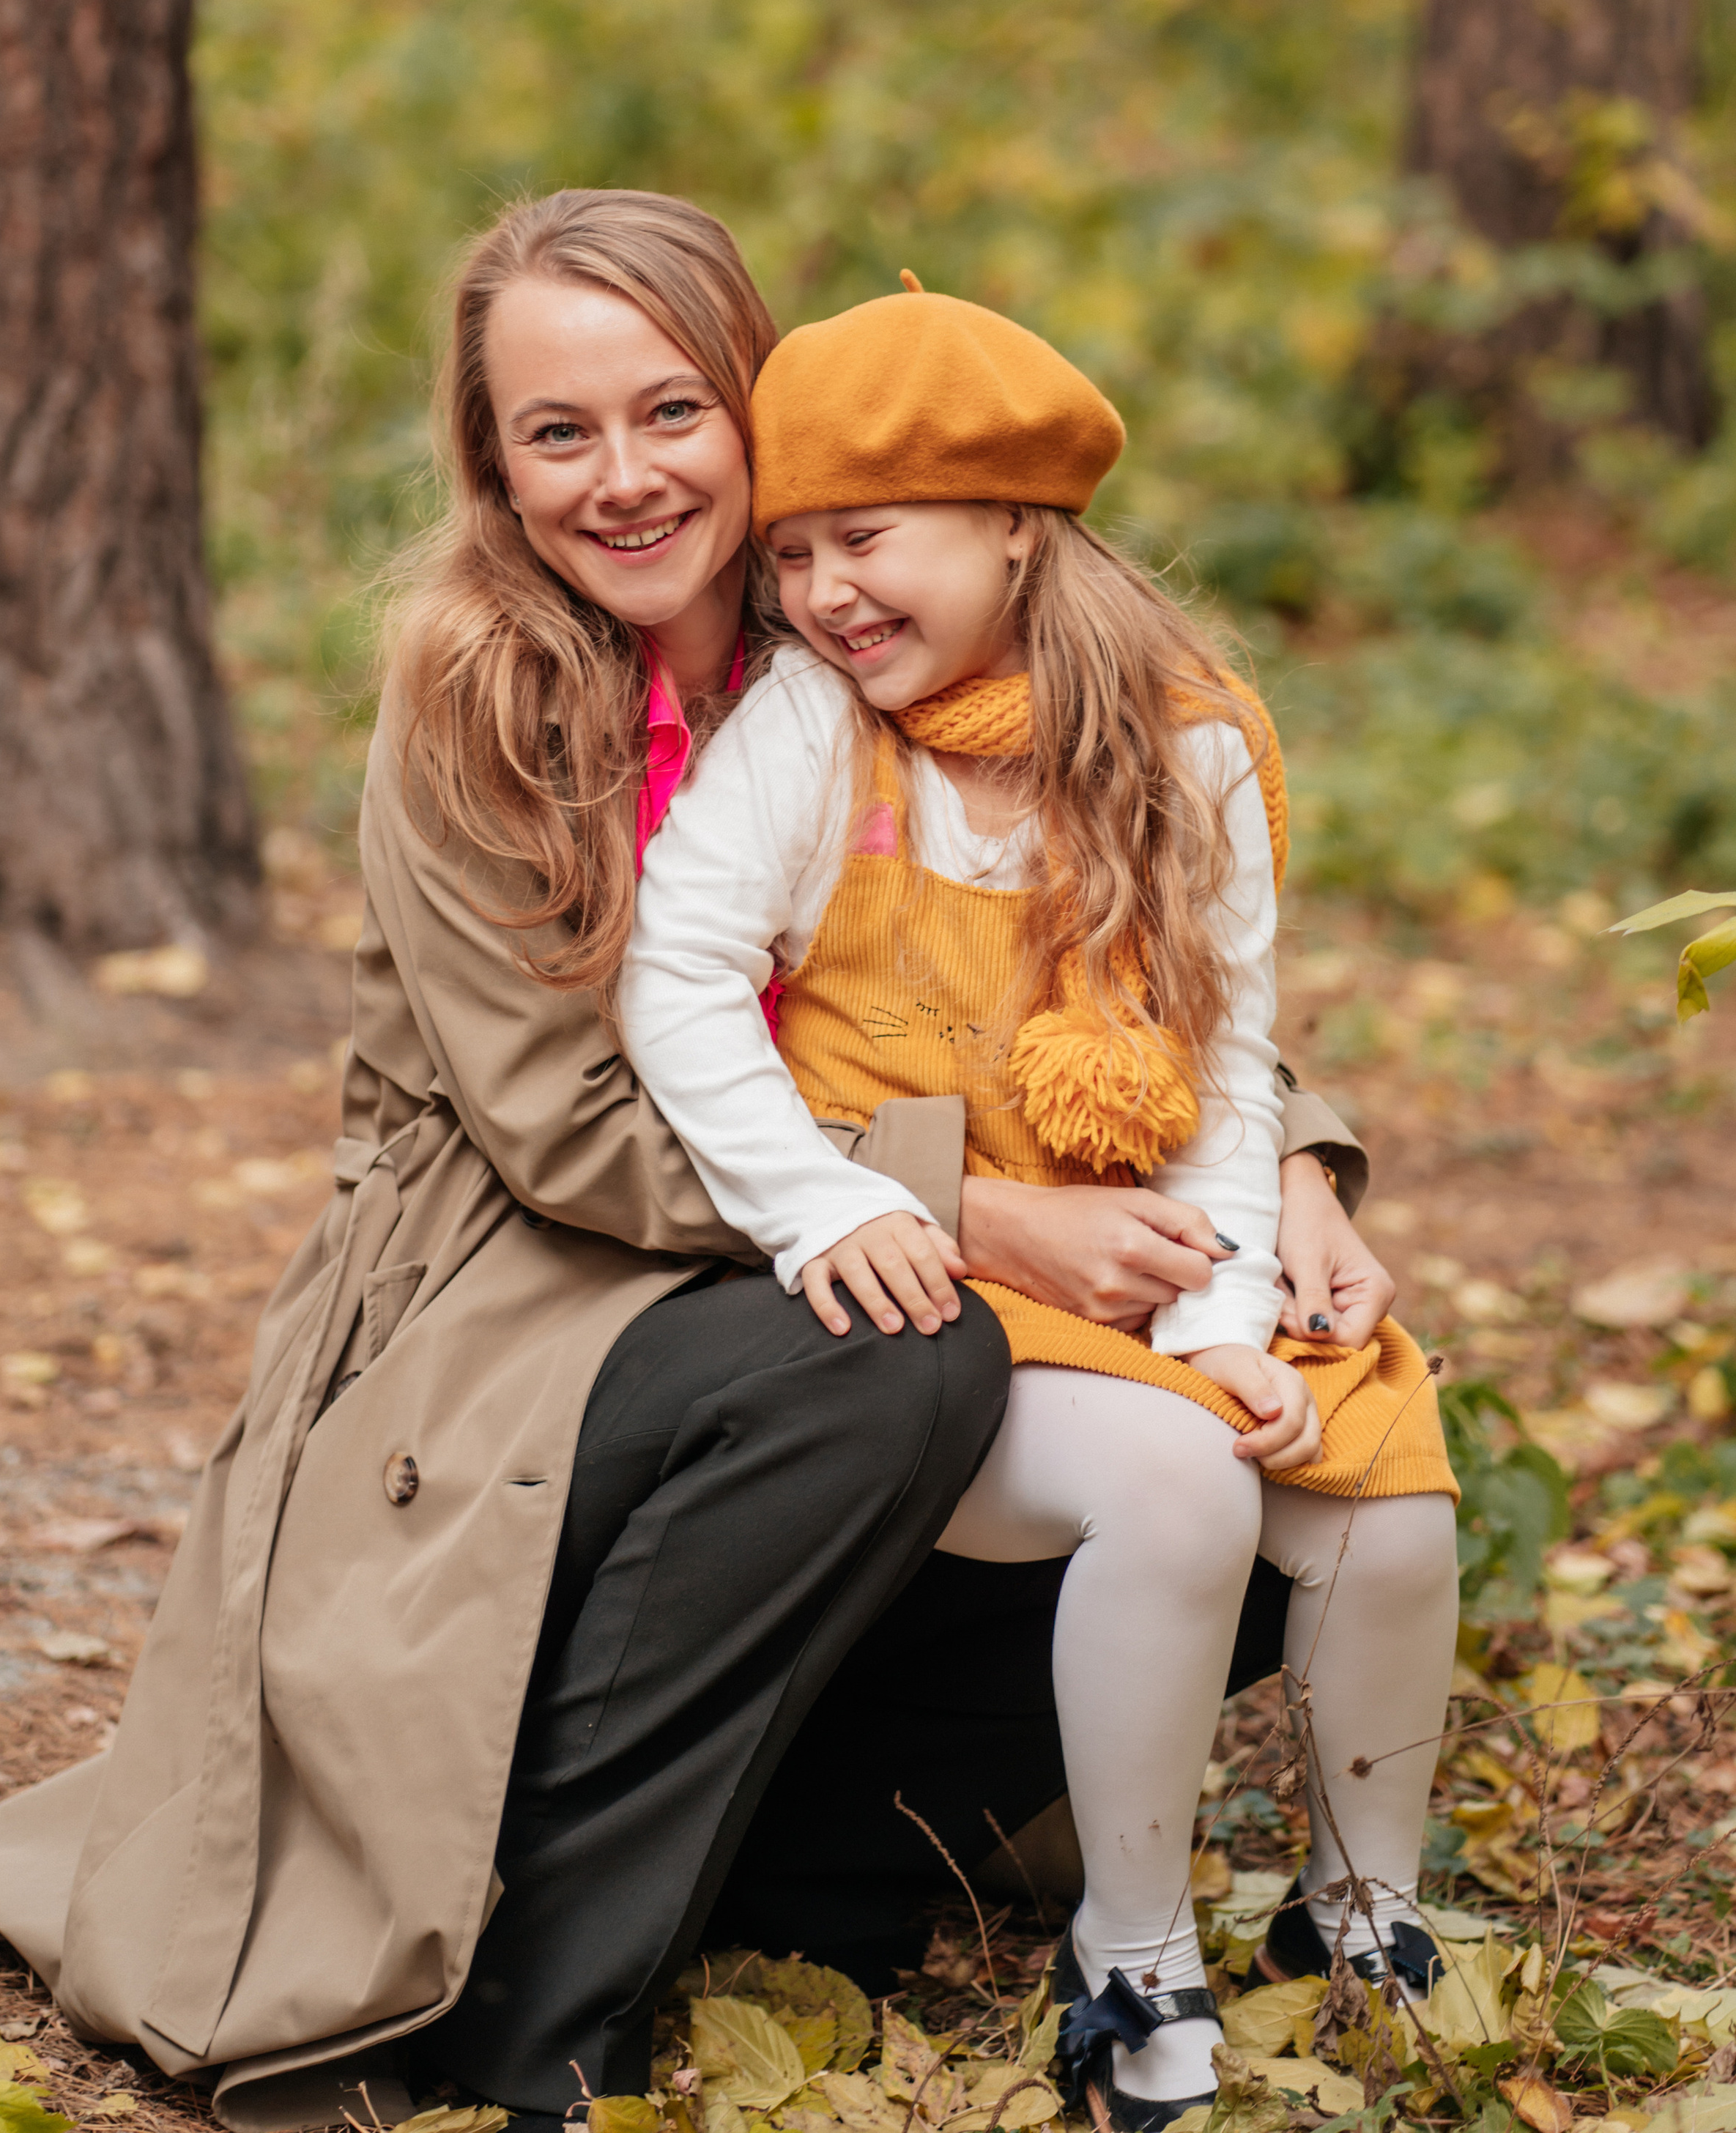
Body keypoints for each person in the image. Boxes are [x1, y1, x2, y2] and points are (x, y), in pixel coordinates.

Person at [0, 194, 1387, 2133]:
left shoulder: (865, 613)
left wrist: (1300, 1170)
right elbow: (560, 1128)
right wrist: (971, 1210)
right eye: (558, 431)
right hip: (527, 1287)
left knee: (1282, 1447)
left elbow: (1130, 930)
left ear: (763, 415)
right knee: (895, 1357)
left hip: (827, 1244)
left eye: (672, 411)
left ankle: (796, 1876)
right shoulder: (480, 689)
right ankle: (542, 2001)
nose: (622, 477)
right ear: (497, 467)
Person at [619, 280, 1461, 2132]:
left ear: (1014, 520)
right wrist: (822, 1205)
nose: (824, 592)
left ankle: (1366, 1912)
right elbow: (675, 977)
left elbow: (1218, 1066)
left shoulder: (1188, 744)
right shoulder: (812, 731)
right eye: (793, 556)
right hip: (920, 1272)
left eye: (866, 539)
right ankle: (1131, 1945)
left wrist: (1220, 1319)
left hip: (1142, 1246)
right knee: (1178, 1491)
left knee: (1382, 1494)